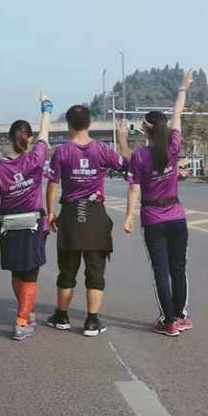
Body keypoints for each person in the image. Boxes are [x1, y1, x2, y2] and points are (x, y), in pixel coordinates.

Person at [44, 105, 130, 337]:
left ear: (69, 125)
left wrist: (50, 213)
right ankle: (92, 321)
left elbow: (52, 184)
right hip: (94, 214)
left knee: (67, 270)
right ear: (90, 123)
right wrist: (122, 138)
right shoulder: (102, 149)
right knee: (95, 270)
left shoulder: (62, 152)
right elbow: (126, 164)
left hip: (71, 214)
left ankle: (61, 316)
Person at [123, 70, 194, 337]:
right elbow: (177, 114)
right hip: (177, 217)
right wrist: (183, 87)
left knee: (161, 271)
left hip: (153, 219)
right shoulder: (174, 146)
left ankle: (169, 320)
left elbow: (134, 187)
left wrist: (129, 216)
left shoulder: (140, 156)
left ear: (146, 129)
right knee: (179, 269)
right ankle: (181, 316)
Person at [0, 96, 53, 340]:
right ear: (29, 139)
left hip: (8, 225)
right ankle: (22, 321)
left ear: (9, 138)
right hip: (34, 224)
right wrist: (46, 109)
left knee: (16, 272)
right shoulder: (35, 158)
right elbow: (45, 133)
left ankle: (26, 311)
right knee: (30, 273)